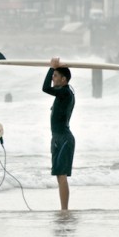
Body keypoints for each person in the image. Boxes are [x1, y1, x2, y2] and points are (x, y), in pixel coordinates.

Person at [42, 57, 75, 211]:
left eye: (55, 76)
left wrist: (51, 68)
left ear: (64, 79)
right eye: (53, 75)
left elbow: (45, 88)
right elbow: (48, 88)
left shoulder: (66, 93)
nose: (53, 79)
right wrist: (54, 68)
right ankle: (64, 209)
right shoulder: (62, 92)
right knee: (59, 176)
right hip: (57, 138)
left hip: (64, 139)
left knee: (61, 176)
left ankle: (64, 210)